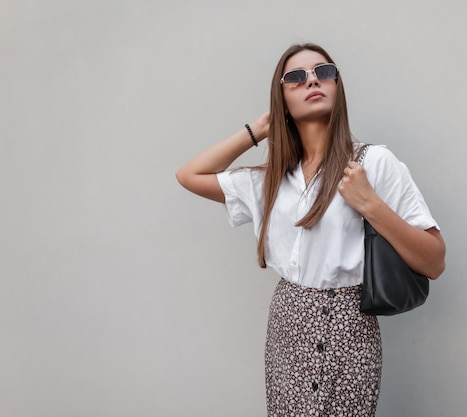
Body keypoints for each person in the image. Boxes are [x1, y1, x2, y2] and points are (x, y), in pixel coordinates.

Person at [176, 43, 446, 417]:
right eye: (296, 77)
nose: (312, 80)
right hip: (288, 325)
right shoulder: (270, 181)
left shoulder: (372, 163)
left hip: (350, 329)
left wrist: (370, 205)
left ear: (337, 85)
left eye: (324, 71)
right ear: (281, 99)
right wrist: (257, 130)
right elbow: (189, 175)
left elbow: (434, 260)